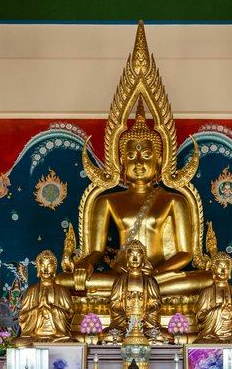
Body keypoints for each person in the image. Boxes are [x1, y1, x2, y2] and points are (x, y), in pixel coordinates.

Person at [59, 102, 212, 298]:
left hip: (160, 277)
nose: (139, 163)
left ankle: (140, 288)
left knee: (209, 279)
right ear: (121, 162)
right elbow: (96, 251)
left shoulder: (175, 200)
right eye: (131, 156)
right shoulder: (106, 201)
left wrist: (154, 274)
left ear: (159, 161)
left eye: (147, 155)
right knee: (61, 281)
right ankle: (136, 288)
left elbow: (185, 254)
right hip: (120, 277)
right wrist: (84, 264)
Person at [104, 239, 170, 342]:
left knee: (162, 335)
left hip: (147, 326)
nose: (135, 259)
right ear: (126, 258)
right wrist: (126, 314)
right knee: (108, 335)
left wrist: (144, 314)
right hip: (123, 326)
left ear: (143, 258)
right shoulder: (120, 280)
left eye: (138, 255)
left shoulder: (150, 280)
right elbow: (113, 303)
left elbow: (156, 303)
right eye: (131, 255)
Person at [14, 250, 74, 345]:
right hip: (34, 336)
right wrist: (38, 309)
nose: (45, 269)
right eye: (42, 265)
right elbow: (22, 315)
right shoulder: (31, 290)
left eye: (49, 266)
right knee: (18, 343)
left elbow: (69, 315)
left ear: (55, 268)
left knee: (69, 342)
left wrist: (50, 308)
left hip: (57, 336)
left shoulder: (62, 290)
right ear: (38, 268)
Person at [194, 252, 232, 346]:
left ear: (230, 271)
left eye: (226, 267)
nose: (223, 271)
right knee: (200, 343)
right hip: (212, 336)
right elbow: (200, 317)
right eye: (219, 267)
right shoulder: (206, 292)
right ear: (213, 269)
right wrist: (219, 311)